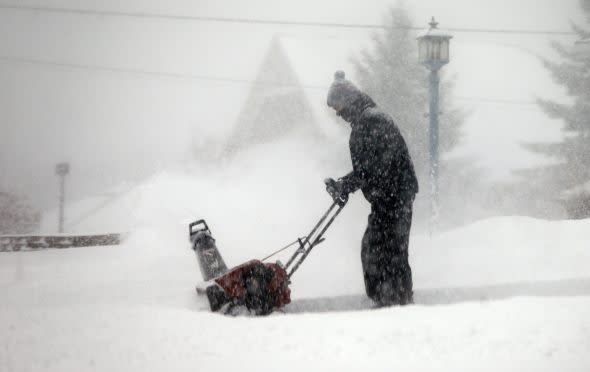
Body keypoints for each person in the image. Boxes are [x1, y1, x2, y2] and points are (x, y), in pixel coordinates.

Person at [324, 71, 419, 306]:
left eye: (338, 107)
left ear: (348, 101)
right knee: (383, 249)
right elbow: (370, 167)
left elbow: (376, 166)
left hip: (393, 196)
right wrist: (345, 184)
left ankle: (393, 301)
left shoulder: (372, 120)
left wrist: (347, 185)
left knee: (385, 251)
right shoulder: (367, 120)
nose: (338, 114)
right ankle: (391, 299)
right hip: (389, 196)